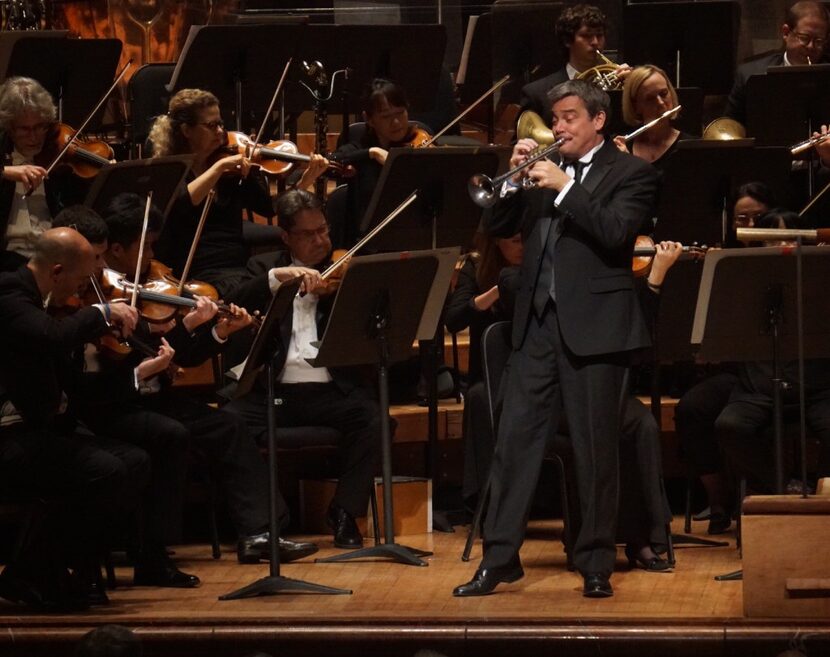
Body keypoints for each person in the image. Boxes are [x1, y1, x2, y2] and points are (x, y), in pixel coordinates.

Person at [452, 80, 659, 598]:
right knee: (513, 445)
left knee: (596, 450)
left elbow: (614, 232)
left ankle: (594, 562)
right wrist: (513, 175)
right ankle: (499, 559)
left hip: (597, 332)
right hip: (537, 328)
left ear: (598, 121)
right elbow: (497, 224)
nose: (558, 126)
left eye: (569, 117)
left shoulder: (633, 173)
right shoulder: (539, 176)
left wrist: (564, 188)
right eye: (555, 117)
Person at [72, 194, 319, 574]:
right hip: (116, 405)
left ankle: (259, 534)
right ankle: (151, 550)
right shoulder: (94, 298)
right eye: (147, 247)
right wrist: (183, 327)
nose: (153, 255)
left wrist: (218, 331)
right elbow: (122, 358)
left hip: (153, 400)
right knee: (171, 435)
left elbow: (182, 356)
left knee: (228, 424)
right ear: (116, 250)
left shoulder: (150, 290)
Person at [224, 189, 382, 550]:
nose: (320, 240)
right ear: (286, 238)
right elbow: (231, 300)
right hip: (272, 390)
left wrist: (343, 294)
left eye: (323, 230)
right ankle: (265, 526)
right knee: (229, 421)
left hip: (329, 390)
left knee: (373, 418)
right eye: (308, 234)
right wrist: (275, 280)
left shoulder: (345, 272)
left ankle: (344, 513)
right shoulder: (264, 268)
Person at [0, 227, 146, 610]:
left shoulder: (41, 299)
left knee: (132, 462)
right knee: (103, 471)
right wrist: (101, 312)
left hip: (36, 429)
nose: (82, 292)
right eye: (81, 282)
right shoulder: (10, 295)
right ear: (57, 270)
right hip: (8, 436)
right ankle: (31, 572)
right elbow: (50, 337)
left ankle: (67, 570)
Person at [147, 88, 327, 300]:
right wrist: (219, 168)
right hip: (197, 272)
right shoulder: (171, 170)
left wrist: (305, 180)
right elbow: (179, 203)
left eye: (221, 124)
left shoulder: (231, 169)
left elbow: (268, 209)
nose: (221, 132)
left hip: (239, 266)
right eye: (211, 126)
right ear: (186, 130)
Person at [445, 231, 522, 509]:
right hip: (491, 375)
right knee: (478, 398)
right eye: (515, 241)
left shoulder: (544, 264)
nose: (522, 247)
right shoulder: (476, 267)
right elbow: (453, 319)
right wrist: (499, 289)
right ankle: (488, 500)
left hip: (533, 371)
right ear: (497, 242)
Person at [0, 77, 87, 271]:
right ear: (9, 128)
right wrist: (6, 171)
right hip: (8, 260)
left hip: (54, 256)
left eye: (40, 127)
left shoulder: (58, 156)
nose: (34, 136)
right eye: (25, 129)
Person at [333, 79, 431, 248]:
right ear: (369, 119)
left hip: (415, 237)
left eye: (400, 113)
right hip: (371, 244)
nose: (396, 122)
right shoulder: (360, 148)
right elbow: (333, 160)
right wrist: (372, 152)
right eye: (386, 116)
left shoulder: (421, 142)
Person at [518, 4, 630, 128]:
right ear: (567, 41)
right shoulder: (536, 93)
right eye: (586, 36)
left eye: (599, 35)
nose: (595, 42)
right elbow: (523, 141)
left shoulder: (620, 84)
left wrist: (635, 87)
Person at [725, 1, 829, 126]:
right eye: (804, 38)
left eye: (818, 41)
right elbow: (730, 127)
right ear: (786, 33)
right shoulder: (748, 75)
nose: (811, 47)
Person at [613, 65, 692, 168]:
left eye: (664, 94)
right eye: (650, 98)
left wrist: (629, 164)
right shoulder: (621, 147)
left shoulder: (689, 148)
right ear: (636, 106)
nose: (660, 103)